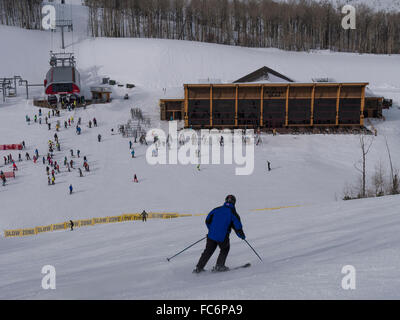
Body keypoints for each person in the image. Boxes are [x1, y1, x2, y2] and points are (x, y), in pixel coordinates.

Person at [193, 195, 245, 273]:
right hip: (223, 237)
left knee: (208, 251)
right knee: (225, 249)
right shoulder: (233, 213)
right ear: (234, 203)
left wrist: (212, 230)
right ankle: (219, 266)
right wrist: (242, 236)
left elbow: (207, 220)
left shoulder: (216, 209)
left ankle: (199, 268)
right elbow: (237, 227)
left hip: (211, 235)